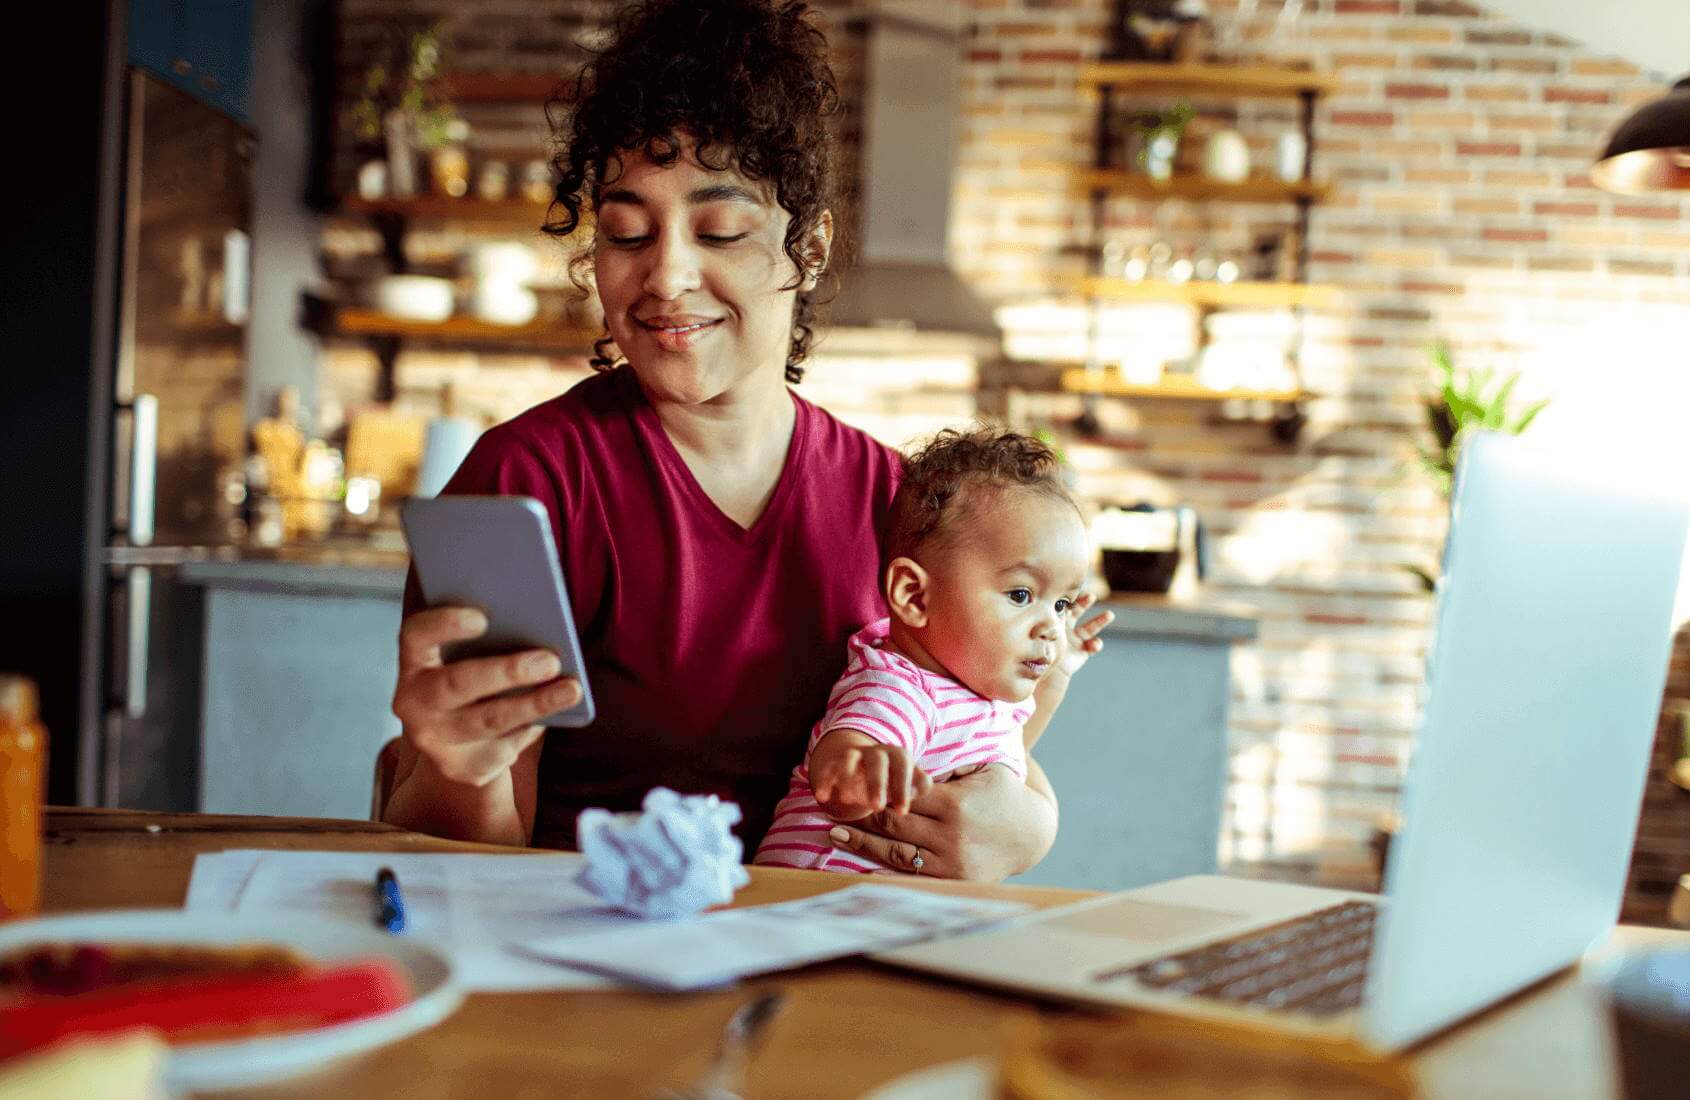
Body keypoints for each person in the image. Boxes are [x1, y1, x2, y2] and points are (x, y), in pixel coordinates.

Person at [381, 0, 1114, 880]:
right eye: (626, 232)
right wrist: (462, 769)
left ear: (807, 247)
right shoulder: (525, 481)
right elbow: (454, 869)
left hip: (819, 965)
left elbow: (973, 729)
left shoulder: (902, 505)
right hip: (590, 961)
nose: (668, 277)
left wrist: (1029, 822)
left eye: (720, 230)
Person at [754, 428, 1095, 873]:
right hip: (807, 898)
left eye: (1062, 604)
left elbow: (1012, 748)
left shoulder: (975, 693)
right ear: (914, 596)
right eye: (1020, 595)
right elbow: (843, 761)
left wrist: (1060, 675)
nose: (1051, 626)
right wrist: (863, 767)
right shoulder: (902, 685)